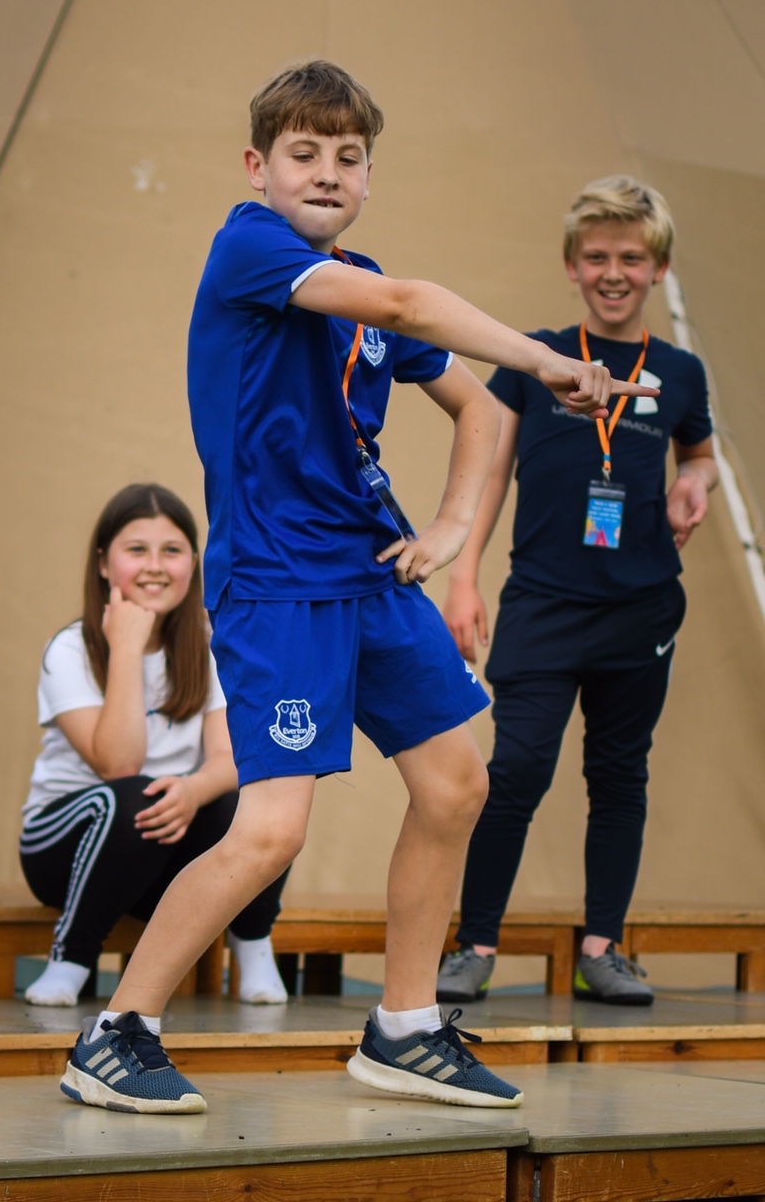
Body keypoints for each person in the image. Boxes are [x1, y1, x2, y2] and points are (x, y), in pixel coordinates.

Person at [58, 60, 653, 1116]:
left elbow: (482, 413)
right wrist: (545, 358)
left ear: (370, 175)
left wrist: (453, 532)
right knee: (270, 833)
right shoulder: (250, 249)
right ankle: (116, 1033)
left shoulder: (364, 291)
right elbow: (415, 305)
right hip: (279, 583)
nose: (327, 172)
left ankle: (406, 1027)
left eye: (348, 156)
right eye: (304, 154)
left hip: (371, 573)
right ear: (259, 167)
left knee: (456, 785)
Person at [437, 177, 717, 1007]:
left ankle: (602, 947)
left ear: (659, 268)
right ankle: (474, 943)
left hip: (641, 607)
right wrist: (463, 575)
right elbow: (490, 470)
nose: (613, 273)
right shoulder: (537, 358)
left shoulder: (680, 372)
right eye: (597, 257)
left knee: (619, 775)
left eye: (631, 258)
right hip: (543, 602)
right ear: (571, 265)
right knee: (516, 768)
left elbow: (699, 456)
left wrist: (694, 482)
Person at [19, 483, 289, 1009]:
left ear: (194, 562)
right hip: (65, 849)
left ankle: (254, 944)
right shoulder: (71, 648)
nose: (155, 567)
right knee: (134, 794)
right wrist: (125, 647)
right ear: (104, 564)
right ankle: (71, 957)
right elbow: (119, 764)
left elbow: (229, 759)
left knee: (265, 794)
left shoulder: (211, 644)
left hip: (162, 849)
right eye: (136, 550)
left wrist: (192, 792)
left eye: (172, 551)